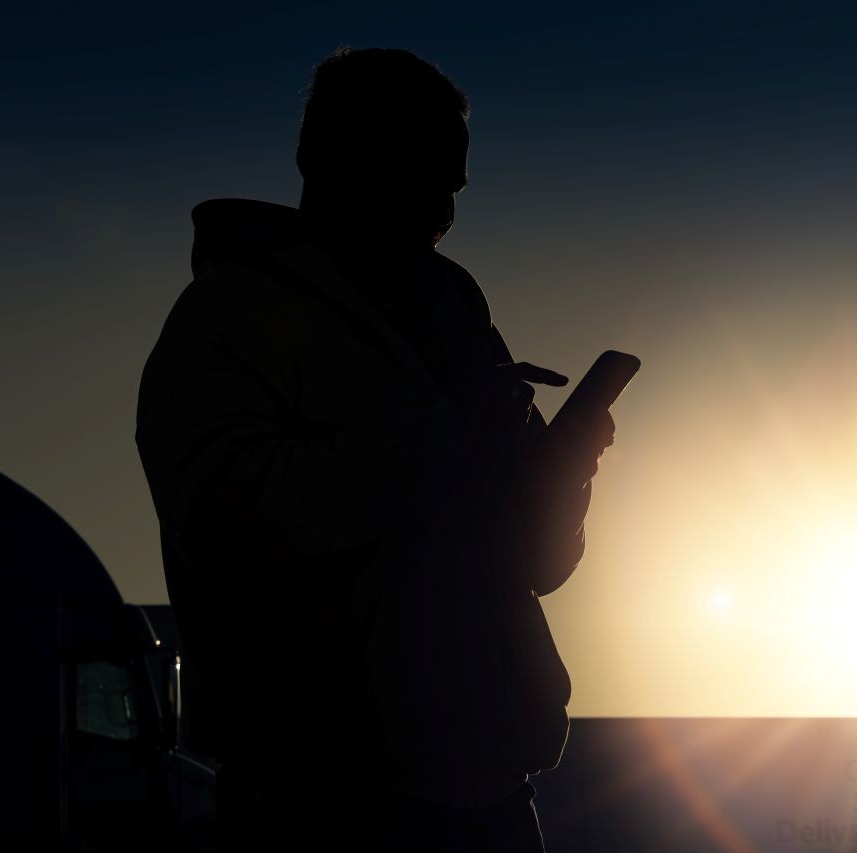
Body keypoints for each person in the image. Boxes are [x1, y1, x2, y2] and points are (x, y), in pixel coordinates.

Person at [134, 45, 616, 851]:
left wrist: (563, 475)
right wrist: (445, 433)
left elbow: (537, 561)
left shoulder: (454, 314)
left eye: (454, 187)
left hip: (493, 796)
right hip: (323, 801)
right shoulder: (230, 316)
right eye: (426, 179)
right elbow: (228, 517)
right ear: (337, 160)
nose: (446, 212)